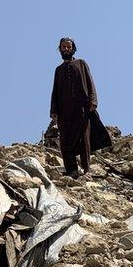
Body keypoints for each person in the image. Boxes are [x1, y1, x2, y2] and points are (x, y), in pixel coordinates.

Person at [50, 37, 99, 177]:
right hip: (64, 111)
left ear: (73, 49)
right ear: (59, 49)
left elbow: (90, 83)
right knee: (65, 140)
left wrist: (93, 100)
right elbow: (55, 91)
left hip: (82, 108)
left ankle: (86, 169)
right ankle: (72, 170)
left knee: (84, 139)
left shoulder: (81, 64)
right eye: (63, 47)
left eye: (68, 47)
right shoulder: (58, 70)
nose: (66, 49)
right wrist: (53, 110)